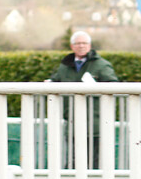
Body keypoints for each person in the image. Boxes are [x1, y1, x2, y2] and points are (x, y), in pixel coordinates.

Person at [49, 31, 119, 168]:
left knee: (94, 161)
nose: (81, 46)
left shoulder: (101, 65)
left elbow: (114, 86)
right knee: (74, 159)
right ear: (72, 46)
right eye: (78, 43)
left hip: (95, 123)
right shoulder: (65, 66)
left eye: (84, 43)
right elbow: (56, 80)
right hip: (72, 121)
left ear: (90, 45)